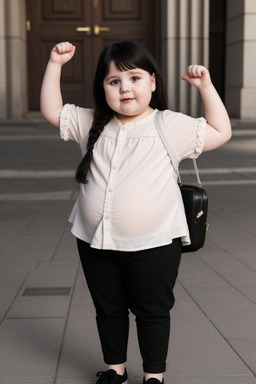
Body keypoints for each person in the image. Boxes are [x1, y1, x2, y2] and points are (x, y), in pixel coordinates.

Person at [40, 40, 231, 384]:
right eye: (114, 81)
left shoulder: (168, 124)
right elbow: (53, 111)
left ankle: (153, 375)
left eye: (135, 78)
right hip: (96, 240)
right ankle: (115, 369)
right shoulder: (91, 122)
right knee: (108, 309)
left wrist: (206, 86)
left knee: (152, 311)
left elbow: (220, 131)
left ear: (153, 82)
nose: (125, 88)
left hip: (155, 242)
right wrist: (55, 64)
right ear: (103, 88)